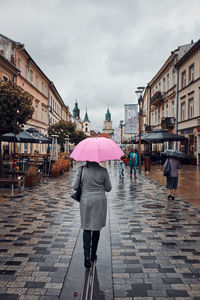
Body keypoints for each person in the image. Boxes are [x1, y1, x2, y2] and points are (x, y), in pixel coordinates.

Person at [72, 161, 112, 269]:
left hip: (86, 201)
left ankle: (86, 256)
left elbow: (74, 186)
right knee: (96, 228)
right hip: (99, 201)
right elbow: (108, 188)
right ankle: (93, 254)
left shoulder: (81, 169)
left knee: (87, 227)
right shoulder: (103, 170)